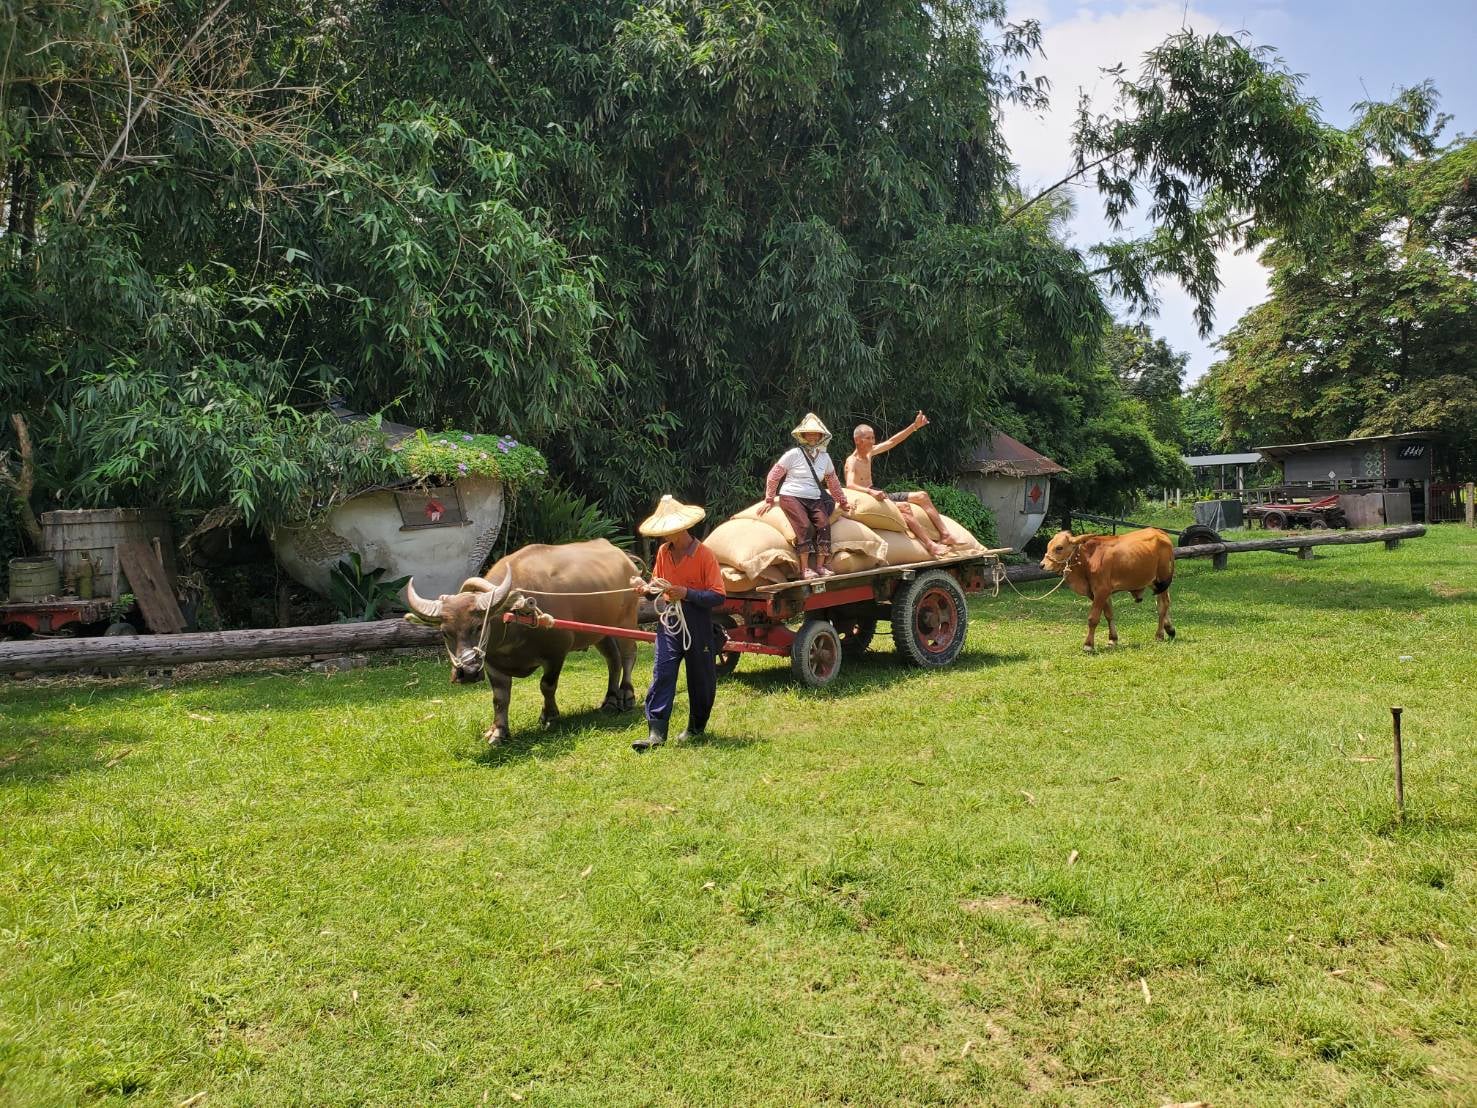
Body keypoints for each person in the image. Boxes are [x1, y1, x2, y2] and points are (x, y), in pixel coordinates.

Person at [631, 495, 726, 753]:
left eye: (670, 530)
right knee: (663, 673)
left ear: (683, 528)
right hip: (670, 621)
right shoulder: (664, 552)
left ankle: (696, 728)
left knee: (701, 679)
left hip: (697, 622)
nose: (665, 535)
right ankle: (656, 734)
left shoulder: (704, 555)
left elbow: (718, 595)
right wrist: (646, 590)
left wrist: (688, 593)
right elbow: (659, 585)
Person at [844, 411, 958, 557]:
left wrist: (914, 426)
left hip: (878, 492)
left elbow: (892, 442)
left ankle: (946, 534)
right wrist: (870, 492)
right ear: (858, 440)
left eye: (873, 438)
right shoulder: (852, 461)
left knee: (922, 496)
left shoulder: (869, 452)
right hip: (870, 497)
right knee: (905, 507)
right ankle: (930, 545)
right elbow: (849, 485)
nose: (873, 441)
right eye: (868, 438)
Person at [762, 413, 852, 579]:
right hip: (791, 496)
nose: (812, 436)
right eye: (809, 433)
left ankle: (820, 566)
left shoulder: (824, 457)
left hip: (815, 497)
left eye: (815, 433)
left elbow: (833, 481)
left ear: (820, 436)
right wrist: (769, 498)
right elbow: (774, 475)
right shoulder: (794, 454)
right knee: (803, 526)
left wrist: (843, 501)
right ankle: (804, 569)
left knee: (824, 525)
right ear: (802, 435)